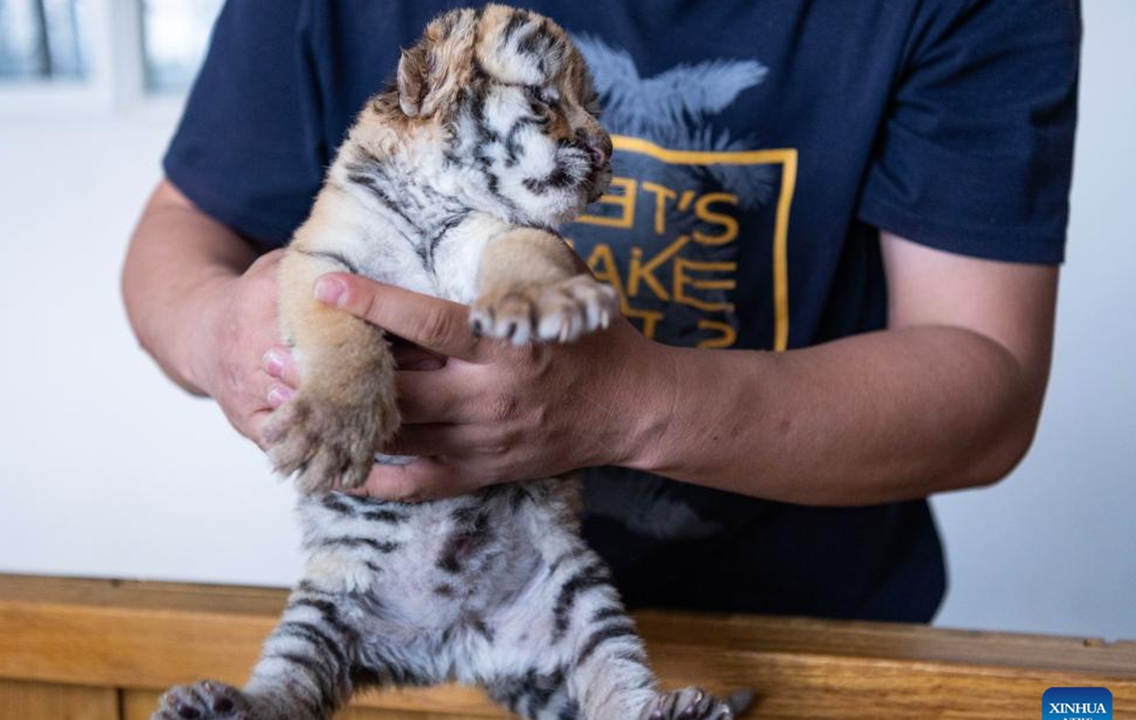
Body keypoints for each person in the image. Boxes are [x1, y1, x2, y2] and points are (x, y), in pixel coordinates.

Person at [122, 0, 1081, 623]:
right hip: (420, 631)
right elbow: (181, 233)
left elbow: (984, 383)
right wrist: (224, 335)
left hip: (804, 642)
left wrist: (627, 405)